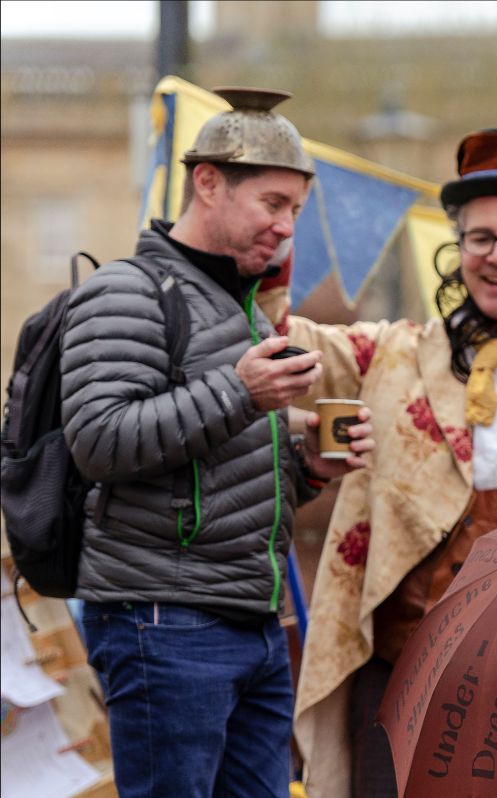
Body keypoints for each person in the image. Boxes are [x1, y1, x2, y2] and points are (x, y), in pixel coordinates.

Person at [261, 128, 497, 797]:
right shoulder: (388, 355)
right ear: (458, 247)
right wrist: (265, 223)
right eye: (481, 238)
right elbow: (272, 334)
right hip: (393, 687)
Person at [61, 87, 375, 797]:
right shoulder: (128, 293)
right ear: (207, 182)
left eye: (295, 210)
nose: (287, 228)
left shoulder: (248, 312)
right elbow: (99, 443)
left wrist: (312, 469)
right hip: (162, 625)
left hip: (254, 626)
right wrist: (240, 391)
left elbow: (222, 481)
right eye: (272, 204)